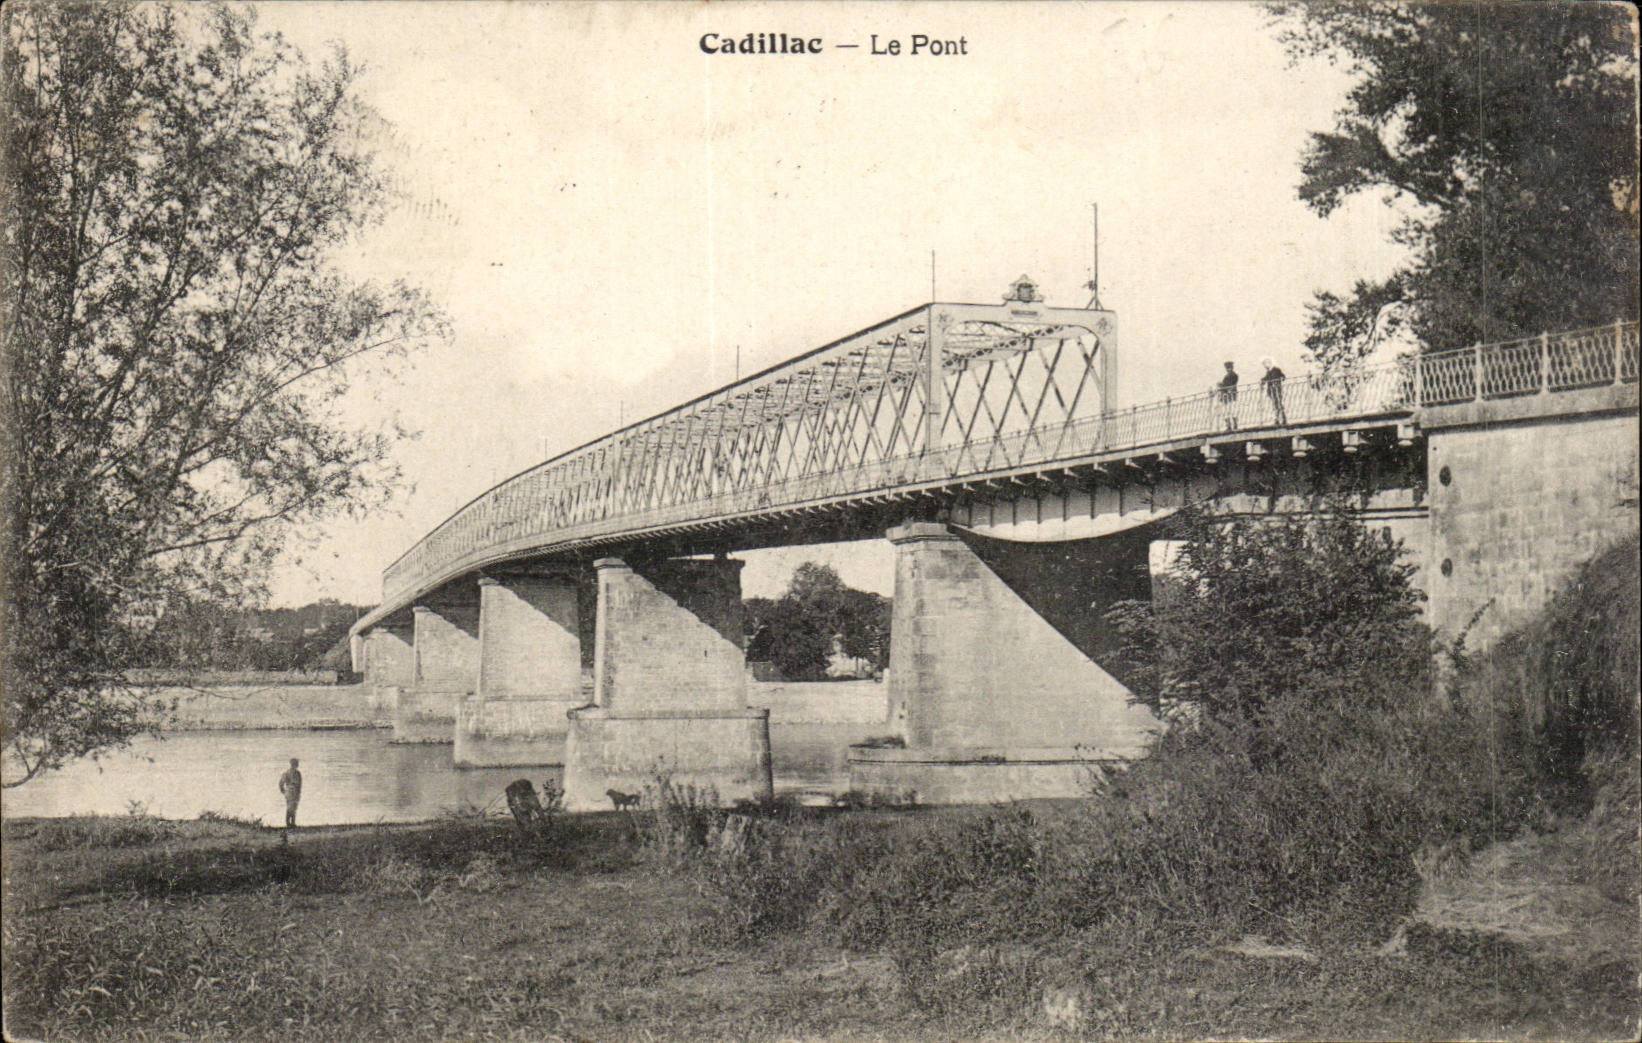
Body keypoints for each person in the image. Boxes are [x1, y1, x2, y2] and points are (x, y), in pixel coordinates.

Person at [1260, 357, 1287, 425]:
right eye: (1264, 365)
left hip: (1277, 390)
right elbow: (1265, 379)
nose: (1265, 366)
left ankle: (1282, 418)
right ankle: (1277, 419)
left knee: (1279, 404)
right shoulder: (1268, 372)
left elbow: (1283, 377)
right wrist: (1262, 381)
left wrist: (1277, 381)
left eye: (1265, 364)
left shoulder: (1276, 370)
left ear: (1269, 363)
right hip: (1272, 391)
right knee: (1275, 405)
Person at [278, 757, 303, 828]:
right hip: (291, 791)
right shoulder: (289, 773)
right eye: (296, 763)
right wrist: (284, 792)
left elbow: (300, 784)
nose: (297, 764)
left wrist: (284, 791)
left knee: (294, 807)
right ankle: (288, 823)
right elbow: (281, 784)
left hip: (294, 791)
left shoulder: (297, 773)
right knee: (290, 807)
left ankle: (292, 823)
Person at [1217, 361, 1239, 431]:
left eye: (1229, 368)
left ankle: (1234, 424)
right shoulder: (1227, 376)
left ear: (1232, 368)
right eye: (1227, 368)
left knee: (1231, 409)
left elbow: (1231, 384)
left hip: (1231, 395)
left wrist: (1222, 386)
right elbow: (1225, 385)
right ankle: (1229, 425)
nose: (1228, 369)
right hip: (1226, 396)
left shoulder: (1234, 375)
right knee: (1227, 410)